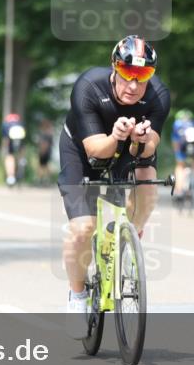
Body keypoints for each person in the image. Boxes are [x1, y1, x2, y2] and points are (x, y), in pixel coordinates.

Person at [58, 35, 170, 338]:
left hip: (128, 148)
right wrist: (116, 136)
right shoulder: (89, 87)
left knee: (148, 184)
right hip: (84, 151)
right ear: (114, 68)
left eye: (143, 76)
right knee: (83, 228)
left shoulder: (158, 95)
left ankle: (129, 234)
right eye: (127, 75)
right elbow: (96, 150)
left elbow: (150, 149)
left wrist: (142, 140)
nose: (134, 85)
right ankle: (77, 295)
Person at [171, 109, 194, 197]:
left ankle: (179, 190)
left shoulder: (177, 124)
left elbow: (175, 140)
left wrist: (176, 152)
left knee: (180, 166)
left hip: (182, 145)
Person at [2, 113, 26, 186]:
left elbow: (5, 139)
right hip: (20, 136)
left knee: (10, 156)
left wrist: (5, 146)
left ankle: (11, 177)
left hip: (11, 138)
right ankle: (22, 159)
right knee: (21, 149)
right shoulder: (21, 123)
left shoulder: (6, 124)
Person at [36, 118, 55, 185]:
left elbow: (44, 144)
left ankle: (41, 179)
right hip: (49, 151)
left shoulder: (44, 134)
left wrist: (42, 151)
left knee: (42, 165)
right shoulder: (50, 133)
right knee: (46, 165)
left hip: (44, 151)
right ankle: (47, 179)